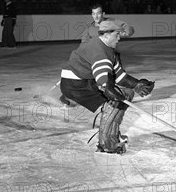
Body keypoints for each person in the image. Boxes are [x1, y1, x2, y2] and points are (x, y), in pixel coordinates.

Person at [60, 20, 154, 154]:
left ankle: (112, 135)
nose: (119, 38)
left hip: (83, 80)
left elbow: (119, 75)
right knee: (114, 102)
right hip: (76, 84)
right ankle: (106, 143)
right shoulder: (100, 50)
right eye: (117, 35)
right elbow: (102, 78)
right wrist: (108, 89)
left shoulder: (108, 49)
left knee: (126, 93)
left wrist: (137, 85)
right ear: (106, 35)